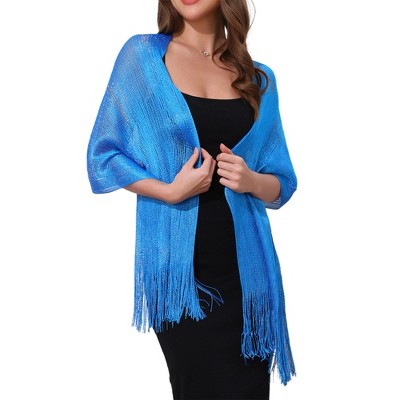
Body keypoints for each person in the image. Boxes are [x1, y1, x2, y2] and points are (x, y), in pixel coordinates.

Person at [87, 0, 297, 398]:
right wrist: (170, 190)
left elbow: (282, 183)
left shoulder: (259, 79)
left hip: (248, 280)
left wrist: (251, 180)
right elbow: (105, 154)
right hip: (180, 276)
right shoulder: (144, 57)